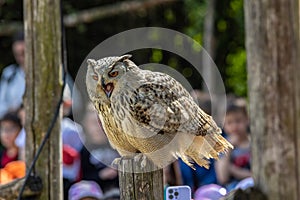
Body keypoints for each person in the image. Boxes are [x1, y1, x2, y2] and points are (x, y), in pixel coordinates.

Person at [80, 103, 119, 194]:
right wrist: (101, 175)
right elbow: (83, 178)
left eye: (102, 123)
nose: (98, 127)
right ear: (86, 124)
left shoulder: (117, 147)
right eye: (94, 123)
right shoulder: (84, 150)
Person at [215, 104, 251, 191]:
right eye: (229, 123)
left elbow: (257, 176)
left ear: (247, 120)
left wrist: (232, 170)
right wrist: (229, 148)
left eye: (238, 121)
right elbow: (223, 178)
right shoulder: (223, 147)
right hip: (233, 190)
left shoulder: (254, 144)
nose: (234, 126)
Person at [0, 32, 25, 118]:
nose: (20, 58)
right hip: (13, 123)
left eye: (23, 53)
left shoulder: (48, 73)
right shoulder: (9, 73)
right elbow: (1, 105)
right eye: (17, 54)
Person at [0, 112, 25, 184]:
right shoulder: (1, 155)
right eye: (3, 129)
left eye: (10, 129)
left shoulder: (23, 155)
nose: (6, 134)